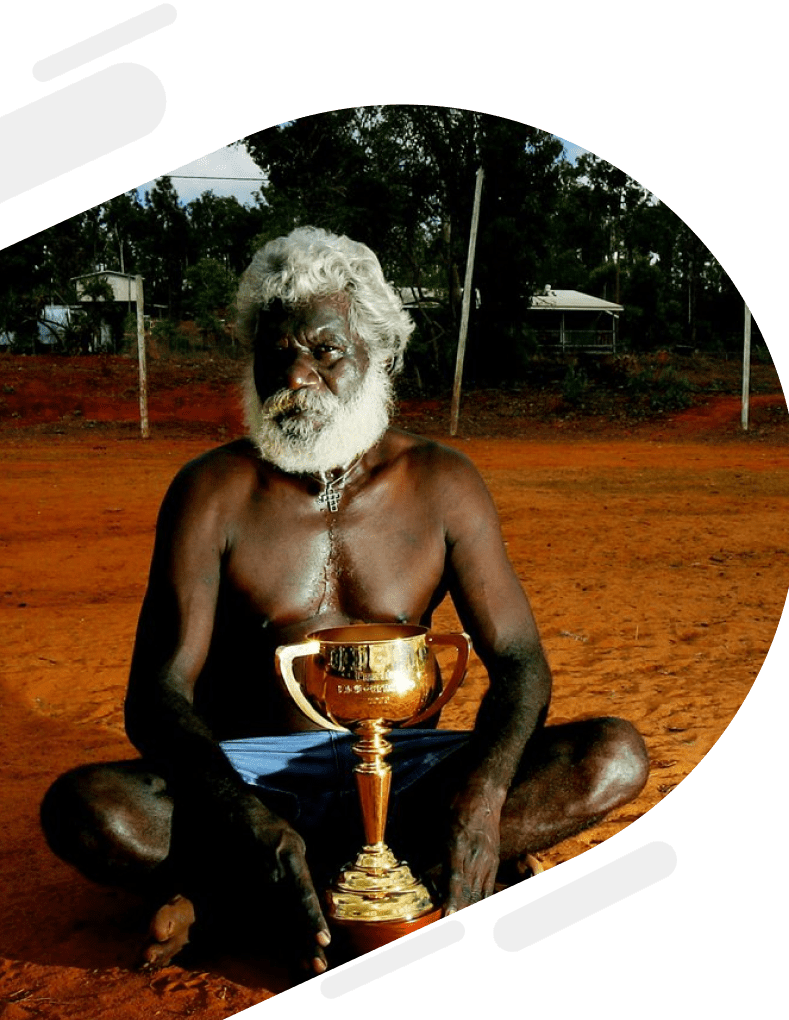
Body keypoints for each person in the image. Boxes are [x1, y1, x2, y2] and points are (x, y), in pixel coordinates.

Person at [41, 227, 648, 976]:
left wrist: (483, 800)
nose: (296, 375)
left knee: (612, 757)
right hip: (249, 779)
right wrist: (243, 816)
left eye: (325, 352)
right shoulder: (210, 491)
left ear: (378, 357)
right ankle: (363, 882)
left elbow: (520, 662)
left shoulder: (444, 483)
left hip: (412, 776)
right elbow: (157, 695)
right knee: (88, 808)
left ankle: (252, 894)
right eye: (276, 352)